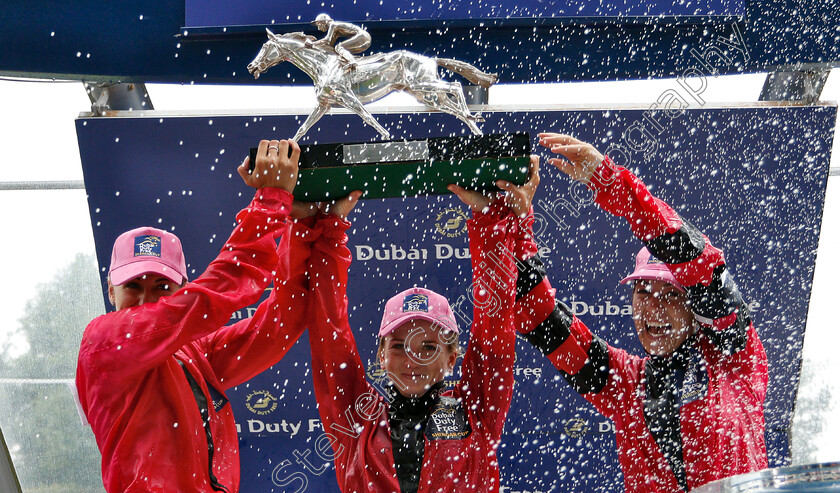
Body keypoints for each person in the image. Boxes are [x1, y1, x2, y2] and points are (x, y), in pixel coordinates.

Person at [513, 133, 768, 492]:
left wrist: (612, 183)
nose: (653, 306)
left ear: (696, 304)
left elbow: (697, 259)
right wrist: (516, 218)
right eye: (643, 291)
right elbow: (536, 316)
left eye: (671, 294)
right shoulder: (623, 382)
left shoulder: (735, 354)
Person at [76, 139, 309, 493]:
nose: (147, 300)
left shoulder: (193, 352)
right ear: (110, 290)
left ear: (181, 286)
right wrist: (272, 201)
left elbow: (279, 326)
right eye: (133, 286)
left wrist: (302, 225)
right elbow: (214, 294)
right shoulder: (103, 343)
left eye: (161, 287)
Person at [300, 159, 539, 492]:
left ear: (452, 357)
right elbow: (329, 331)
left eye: (429, 347)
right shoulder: (355, 420)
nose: (413, 359)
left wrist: (493, 220)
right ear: (381, 356)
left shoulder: (475, 410)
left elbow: (494, 328)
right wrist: (329, 226)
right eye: (398, 346)